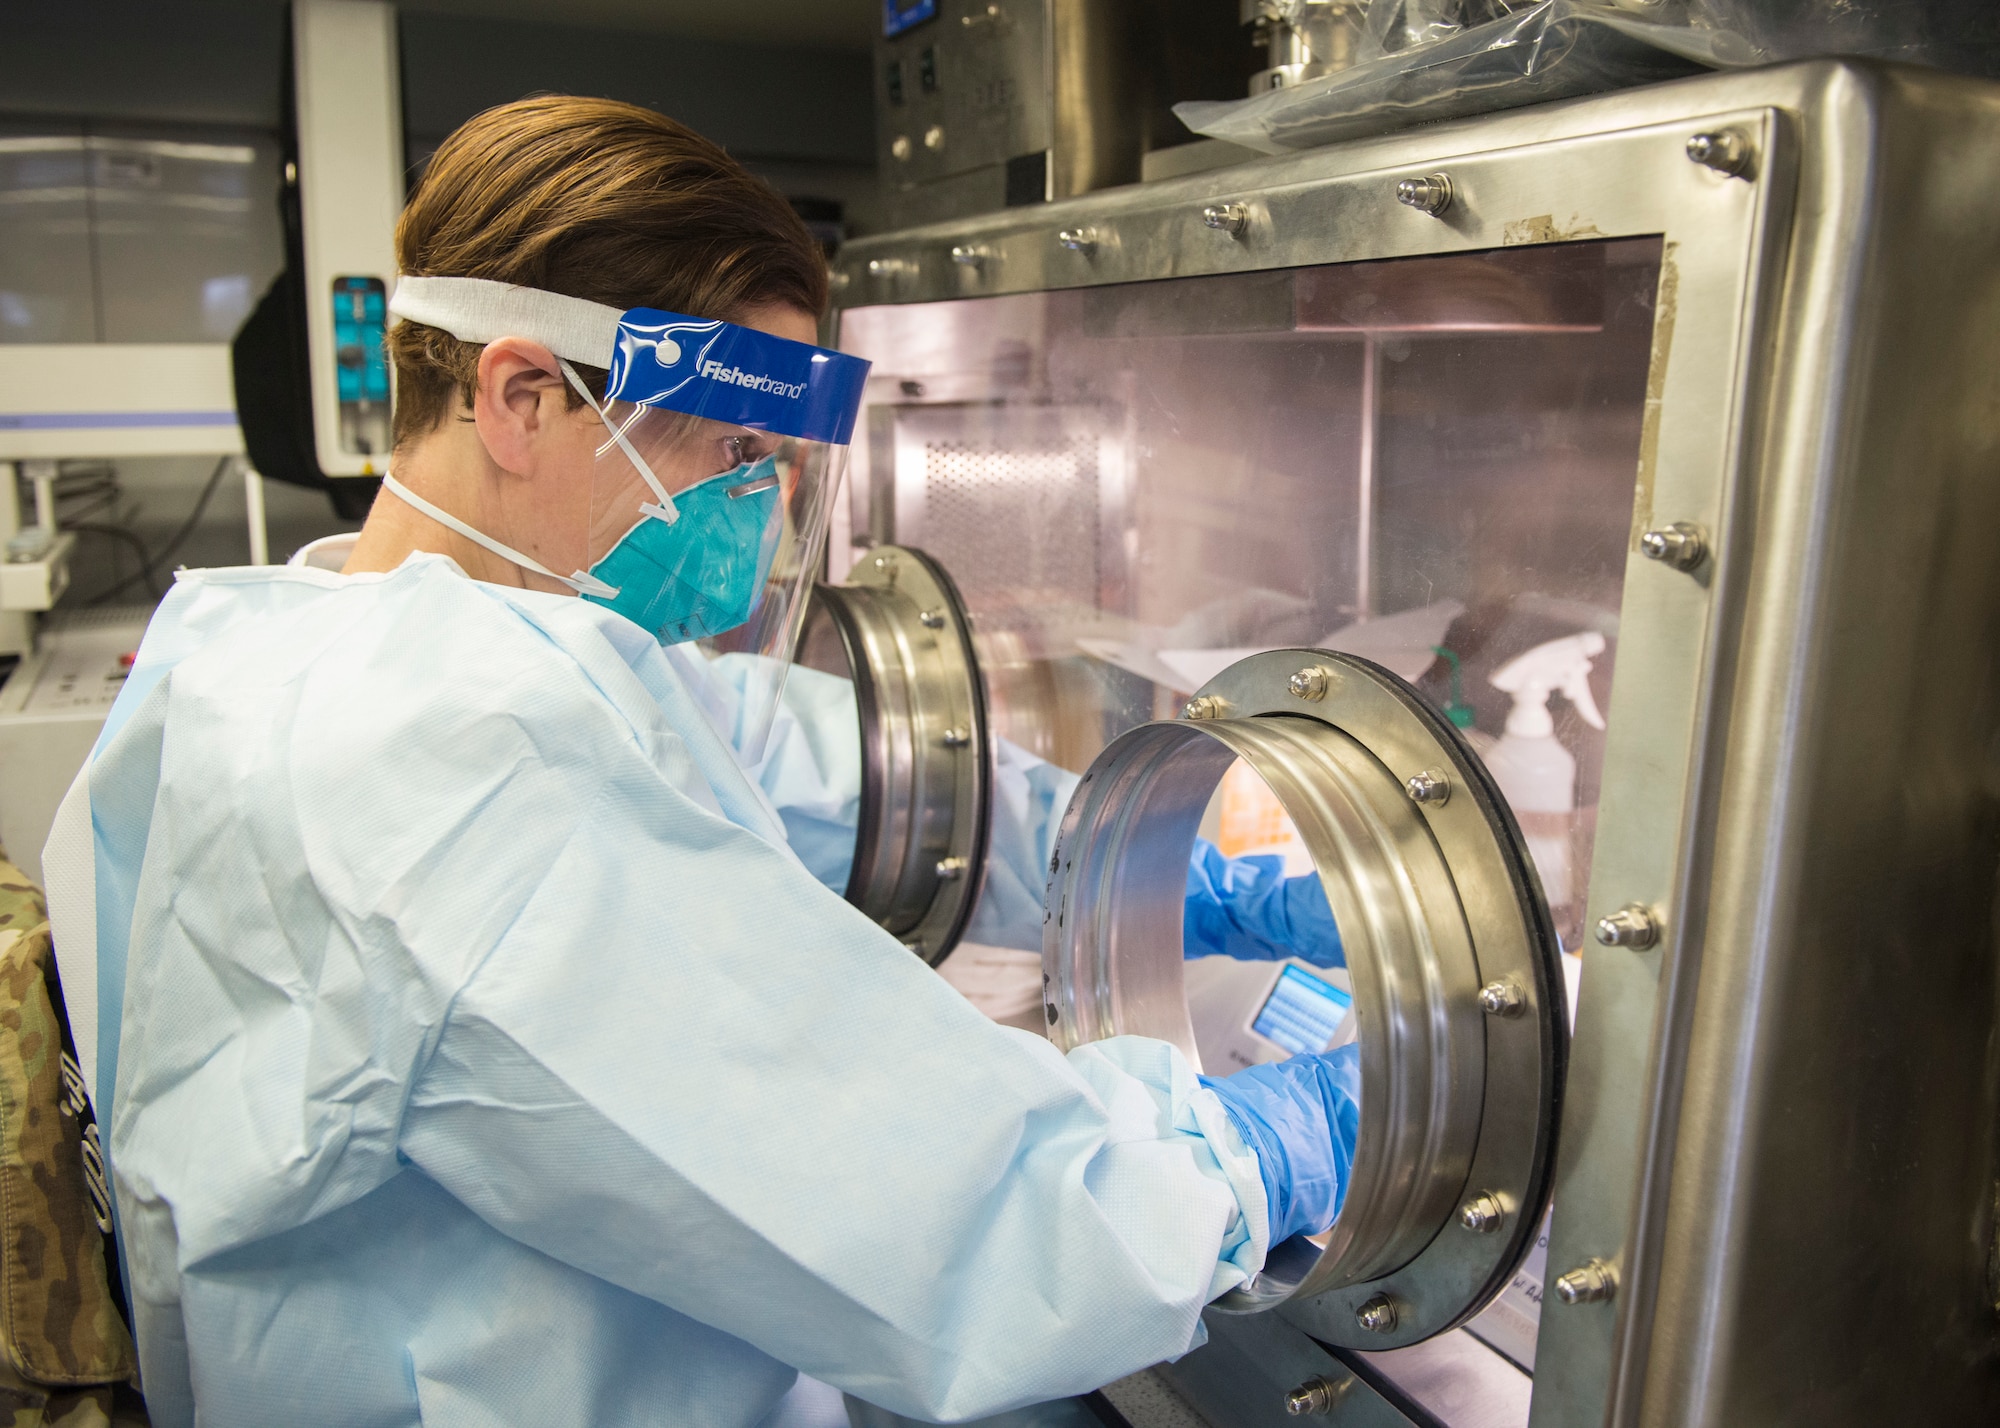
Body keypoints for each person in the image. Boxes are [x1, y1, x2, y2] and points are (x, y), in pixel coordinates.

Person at [41, 97, 1360, 1427]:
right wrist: (1253, 1151)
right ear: (523, 398)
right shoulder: (460, 752)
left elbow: (776, 759)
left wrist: (1185, 859)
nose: (760, 503)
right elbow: (960, 1217)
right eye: (735, 449)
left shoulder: (268, 645)